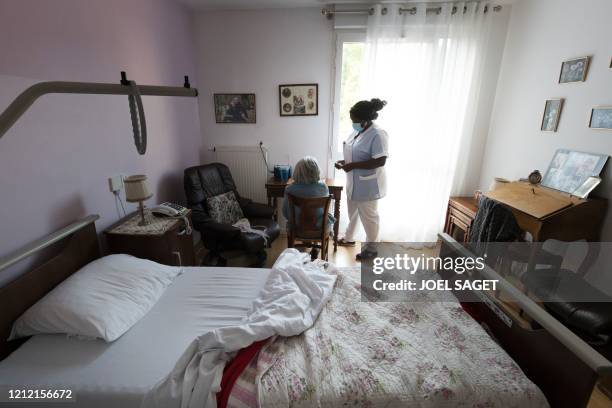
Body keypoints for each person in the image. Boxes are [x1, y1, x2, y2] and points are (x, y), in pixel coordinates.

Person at [335, 98, 388, 260]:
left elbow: (380, 160)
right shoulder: (357, 132)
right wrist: (344, 162)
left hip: (368, 184)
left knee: (369, 218)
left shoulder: (378, 134)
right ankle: (349, 238)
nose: (353, 123)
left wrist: (352, 166)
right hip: (353, 181)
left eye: (355, 121)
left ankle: (372, 249)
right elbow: (354, 152)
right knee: (353, 213)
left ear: (365, 120)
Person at [282, 156, 334, 236]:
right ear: (316, 171)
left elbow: (285, 213)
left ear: (297, 172)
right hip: (318, 229)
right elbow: (324, 211)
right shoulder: (323, 187)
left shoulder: (289, 189)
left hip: (297, 228)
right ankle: (317, 246)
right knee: (323, 217)